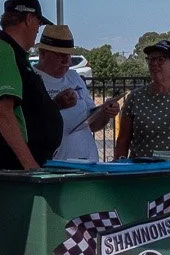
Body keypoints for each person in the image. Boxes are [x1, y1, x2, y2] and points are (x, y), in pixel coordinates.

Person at [0, 0, 64, 171]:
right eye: (39, 23)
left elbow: (25, 108)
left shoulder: (14, 53)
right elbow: (3, 113)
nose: (38, 29)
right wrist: (30, 165)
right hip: (13, 164)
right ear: (30, 19)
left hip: (23, 161)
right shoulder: (4, 52)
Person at [36, 23, 118, 163]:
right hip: (54, 164)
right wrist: (56, 105)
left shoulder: (75, 78)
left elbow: (92, 125)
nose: (66, 61)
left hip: (88, 162)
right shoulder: (33, 79)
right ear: (43, 54)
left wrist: (105, 114)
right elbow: (31, 124)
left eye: (68, 55)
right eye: (60, 55)